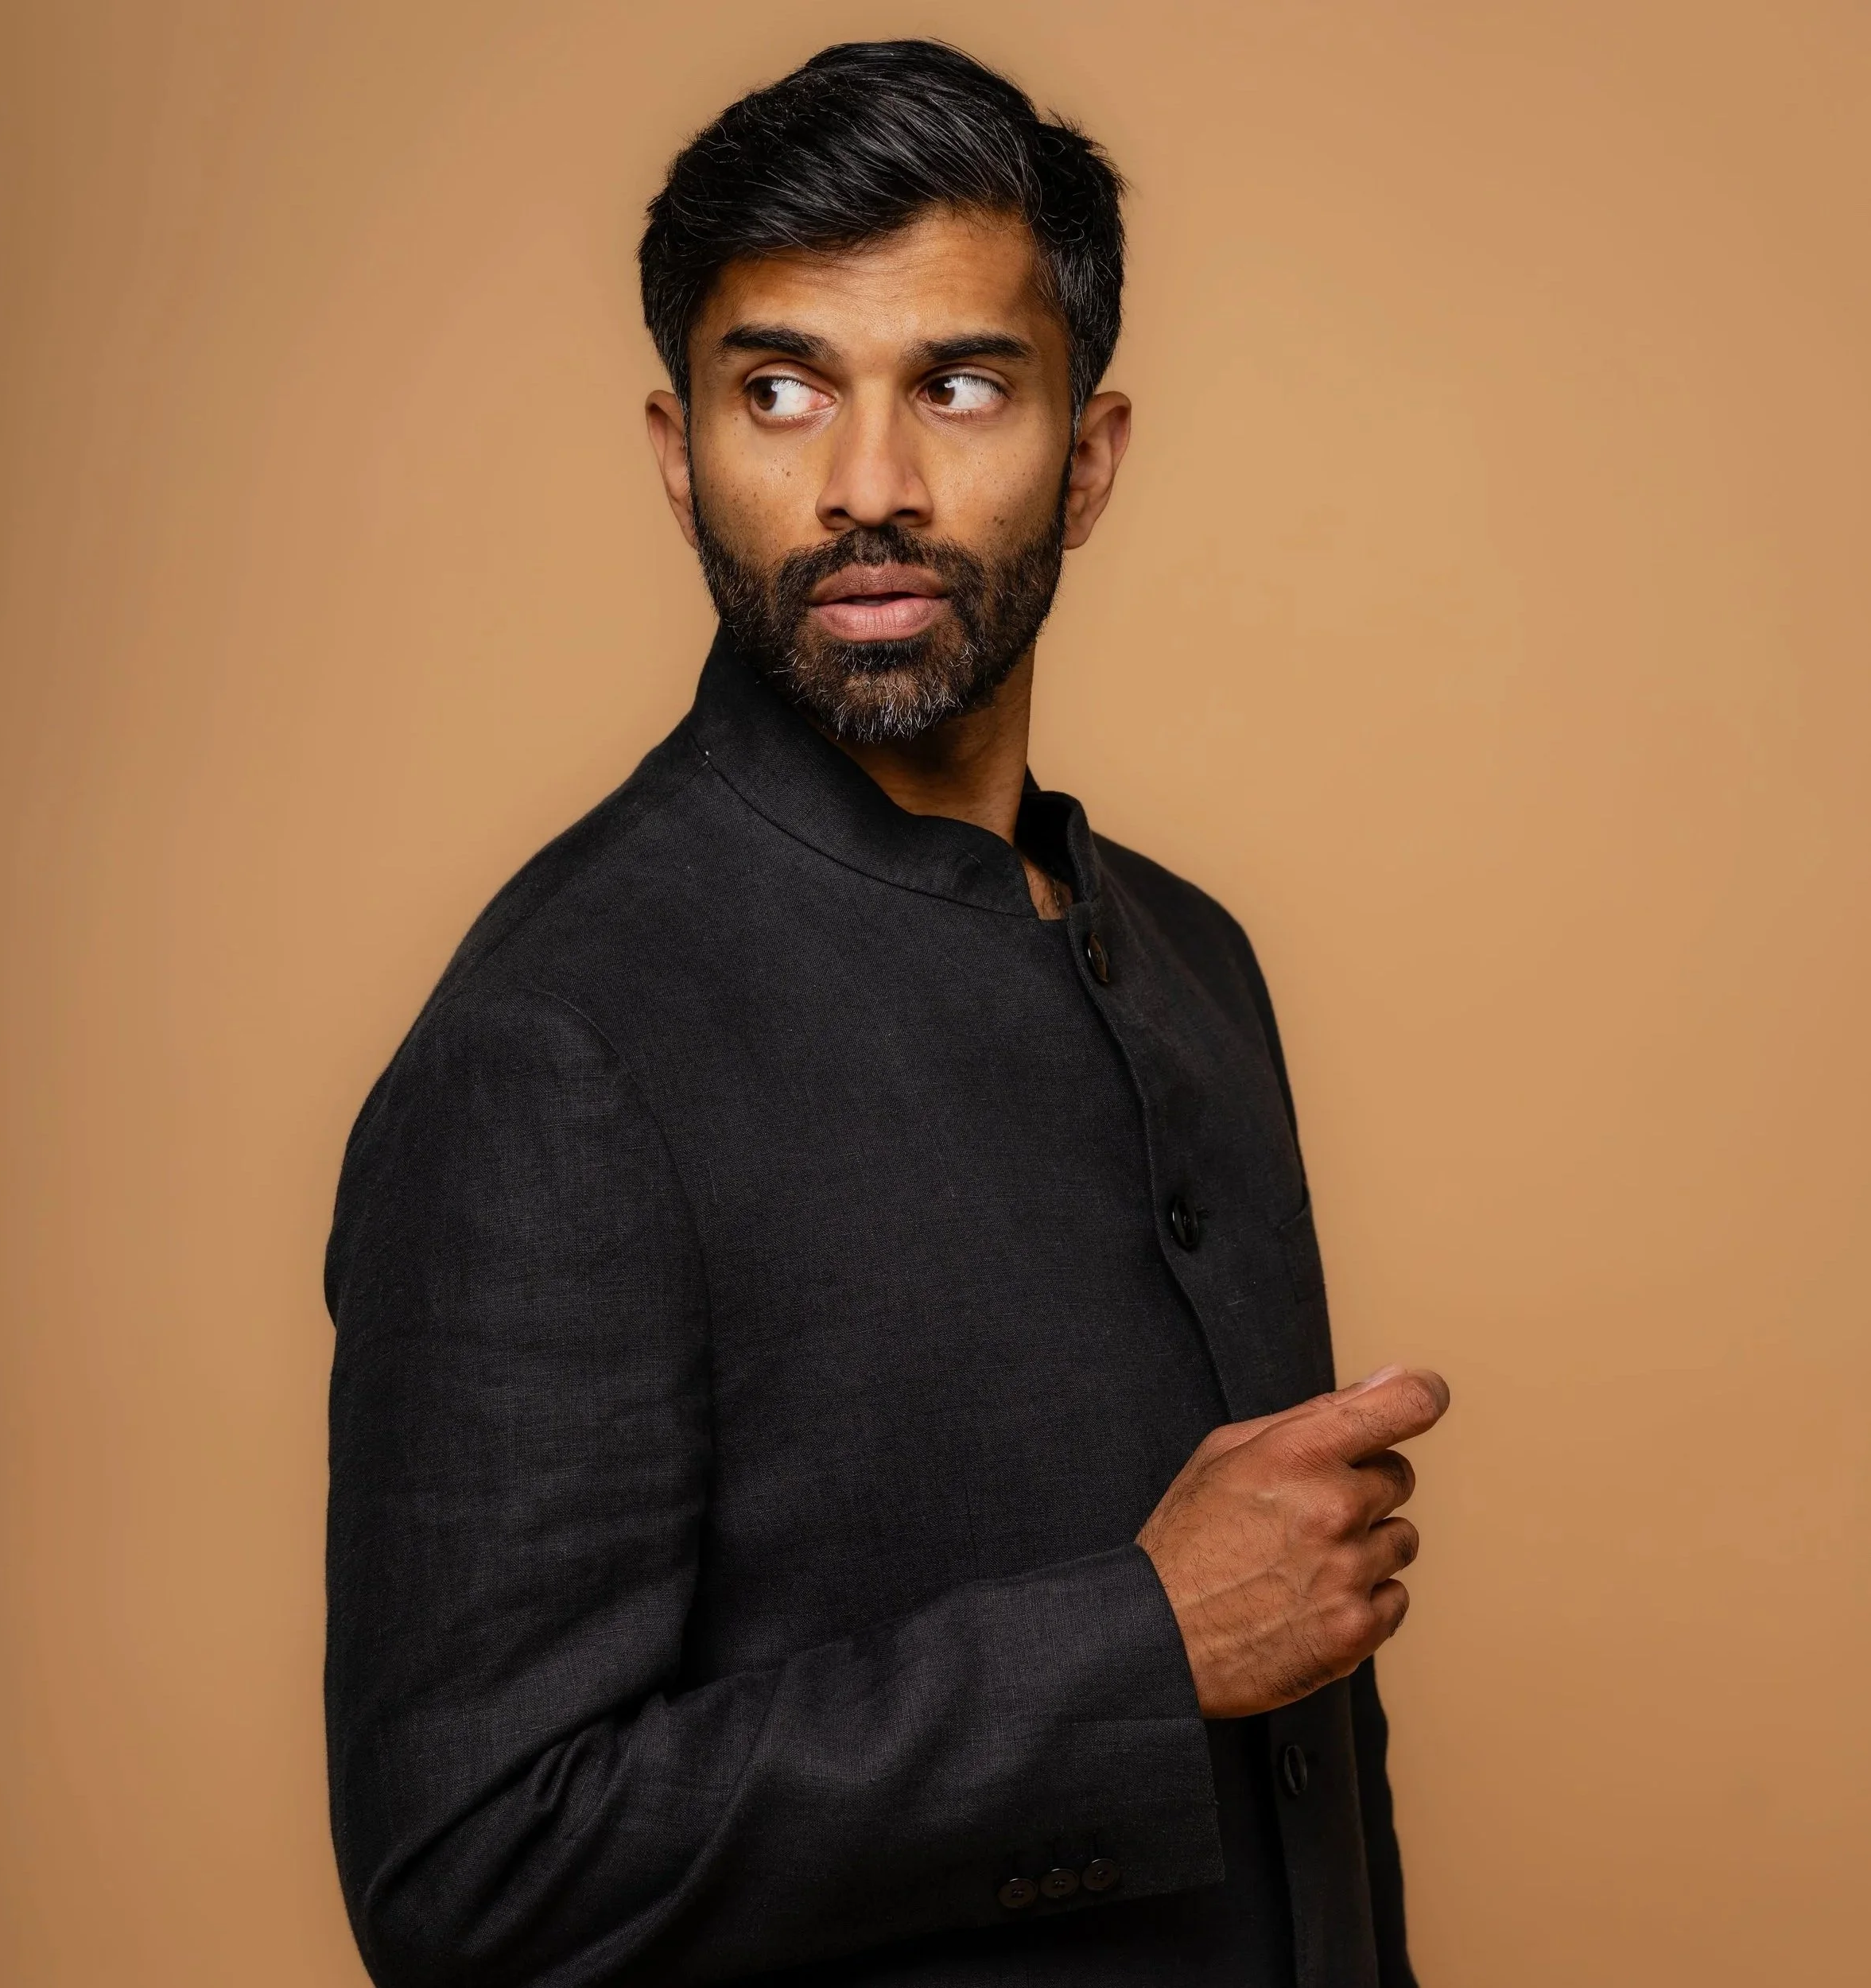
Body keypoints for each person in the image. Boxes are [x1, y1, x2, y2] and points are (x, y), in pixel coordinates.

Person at [324, 39, 1449, 1988]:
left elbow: (1304, 1766)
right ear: (677, 451)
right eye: (779, 390)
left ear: (1086, 459)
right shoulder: (555, 1042)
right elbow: (473, 1877)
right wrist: (1134, 1647)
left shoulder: (1196, 958)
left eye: (958, 385)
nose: (867, 487)